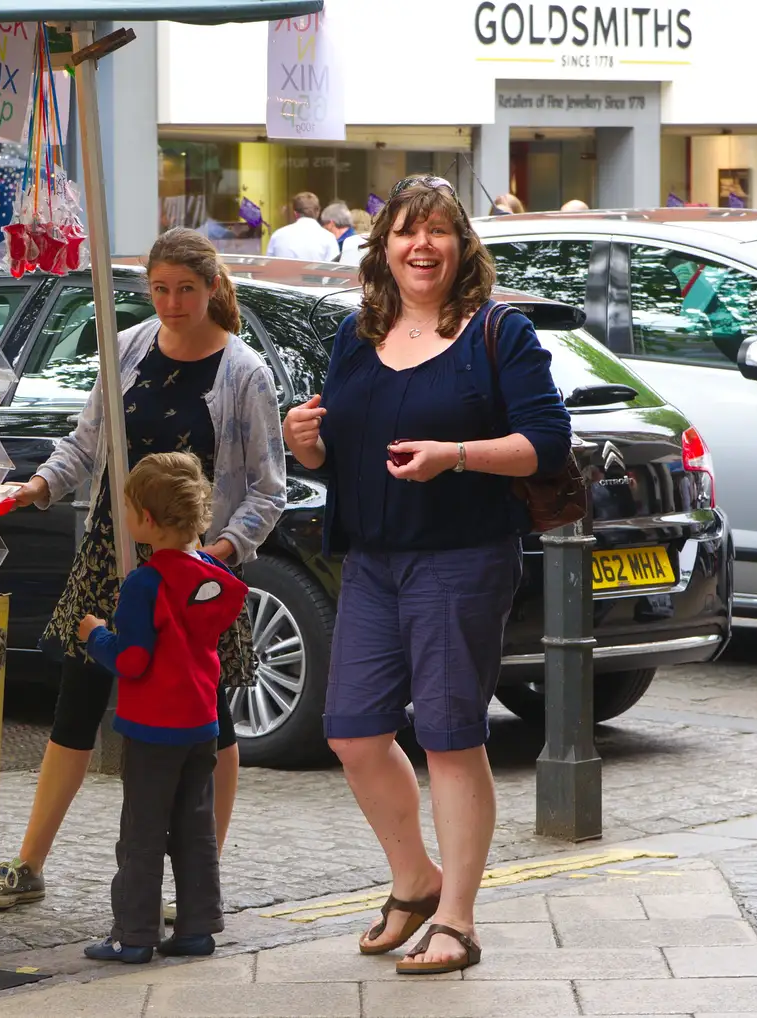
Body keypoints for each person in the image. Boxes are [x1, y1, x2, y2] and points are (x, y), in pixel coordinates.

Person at [281, 175, 570, 976]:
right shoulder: (356, 334)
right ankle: (414, 879)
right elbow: (334, 452)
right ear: (385, 249)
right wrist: (303, 440)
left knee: (449, 736)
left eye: (438, 231)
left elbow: (547, 441)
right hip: (374, 560)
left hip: (464, 558)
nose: (422, 245)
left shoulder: (497, 333)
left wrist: (456, 456)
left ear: (461, 245)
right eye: (407, 231)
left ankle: (458, 919)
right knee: (353, 732)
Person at [0, 227, 287, 912]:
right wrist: (37, 487)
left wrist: (218, 553)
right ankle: (29, 863)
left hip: (194, 568)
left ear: (213, 287)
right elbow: (85, 444)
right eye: (159, 289)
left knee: (207, 716)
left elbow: (270, 488)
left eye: (186, 289)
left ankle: (198, 879)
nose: (172, 302)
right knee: (77, 702)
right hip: (111, 554)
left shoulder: (243, 372)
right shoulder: (126, 349)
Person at [77, 452, 249, 964]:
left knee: (142, 833)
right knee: (195, 827)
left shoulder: (144, 583)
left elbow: (132, 660)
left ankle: (133, 935)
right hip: (201, 722)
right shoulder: (212, 575)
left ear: (146, 521)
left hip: (153, 728)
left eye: (128, 508)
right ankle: (198, 926)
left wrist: (96, 635)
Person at [266, 191, 338, 261]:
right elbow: (334, 270)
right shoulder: (328, 238)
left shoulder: (278, 235)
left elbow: (268, 265)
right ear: (318, 212)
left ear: (295, 213)